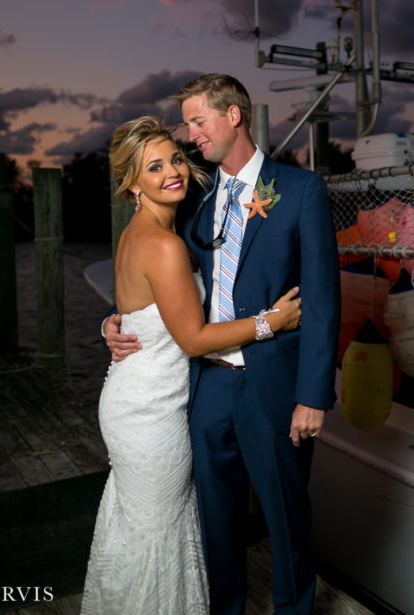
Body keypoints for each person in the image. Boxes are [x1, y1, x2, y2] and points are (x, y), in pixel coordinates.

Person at [105, 74, 341, 615]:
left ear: (234, 116)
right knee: (215, 518)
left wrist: (313, 396)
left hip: (274, 386)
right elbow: (155, 282)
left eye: (197, 121)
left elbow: (324, 302)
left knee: (285, 517)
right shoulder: (193, 198)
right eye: (187, 124)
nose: (190, 137)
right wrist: (116, 323)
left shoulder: (301, 190)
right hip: (205, 384)